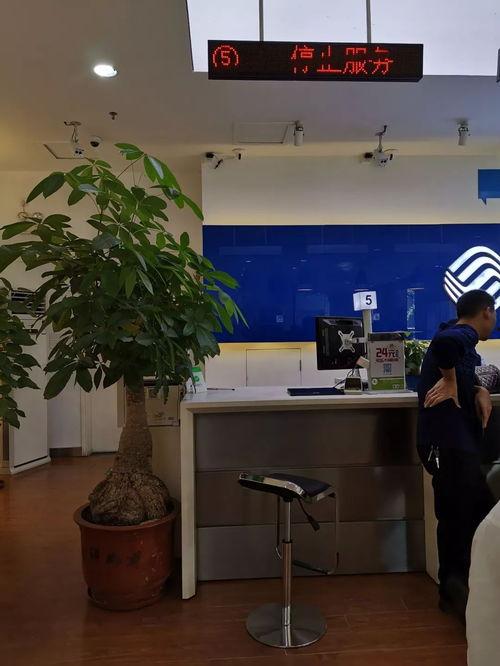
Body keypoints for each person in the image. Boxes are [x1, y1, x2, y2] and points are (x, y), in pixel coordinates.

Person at [417, 289, 496, 621]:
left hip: (454, 445)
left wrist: (479, 389)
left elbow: (462, 370)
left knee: (476, 515)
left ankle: (463, 590)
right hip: (448, 445)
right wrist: (449, 380)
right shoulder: (462, 334)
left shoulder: (460, 339)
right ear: (487, 312)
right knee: (458, 520)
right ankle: (455, 594)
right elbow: (444, 346)